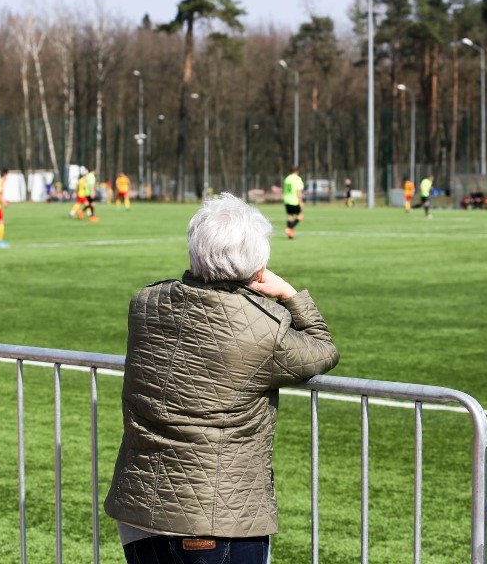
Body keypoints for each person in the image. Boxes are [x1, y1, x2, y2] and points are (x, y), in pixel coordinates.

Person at [104, 193, 339, 564]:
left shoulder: (145, 304)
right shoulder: (264, 329)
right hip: (218, 518)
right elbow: (323, 349)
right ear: (257, 265)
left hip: (140, 509)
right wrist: (290, 296)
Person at [283, 165, 304, 239]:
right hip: (294, 201)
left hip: (287, 200)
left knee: (290, 216)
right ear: (297, 171)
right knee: (300, 216)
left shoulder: (287, 179)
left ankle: (290, 234)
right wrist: (301, 202)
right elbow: (298, 191)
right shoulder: (297, 179)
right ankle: (289, 229)